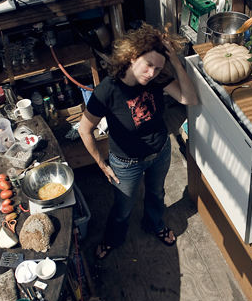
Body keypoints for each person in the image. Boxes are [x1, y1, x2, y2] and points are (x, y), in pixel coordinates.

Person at [78, 23, 198, 259]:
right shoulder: (107, 90)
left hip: (161, 152)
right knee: (123, 208)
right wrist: (102, 164)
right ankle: (113, 238)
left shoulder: (156, 80)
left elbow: (189, 98)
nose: (152, 73)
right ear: (132, 57)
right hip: (126, 163)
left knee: (157, 194)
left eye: (158, 67)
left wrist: (174, 61)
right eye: (148, 64)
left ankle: (154, 223)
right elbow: (85, 129)